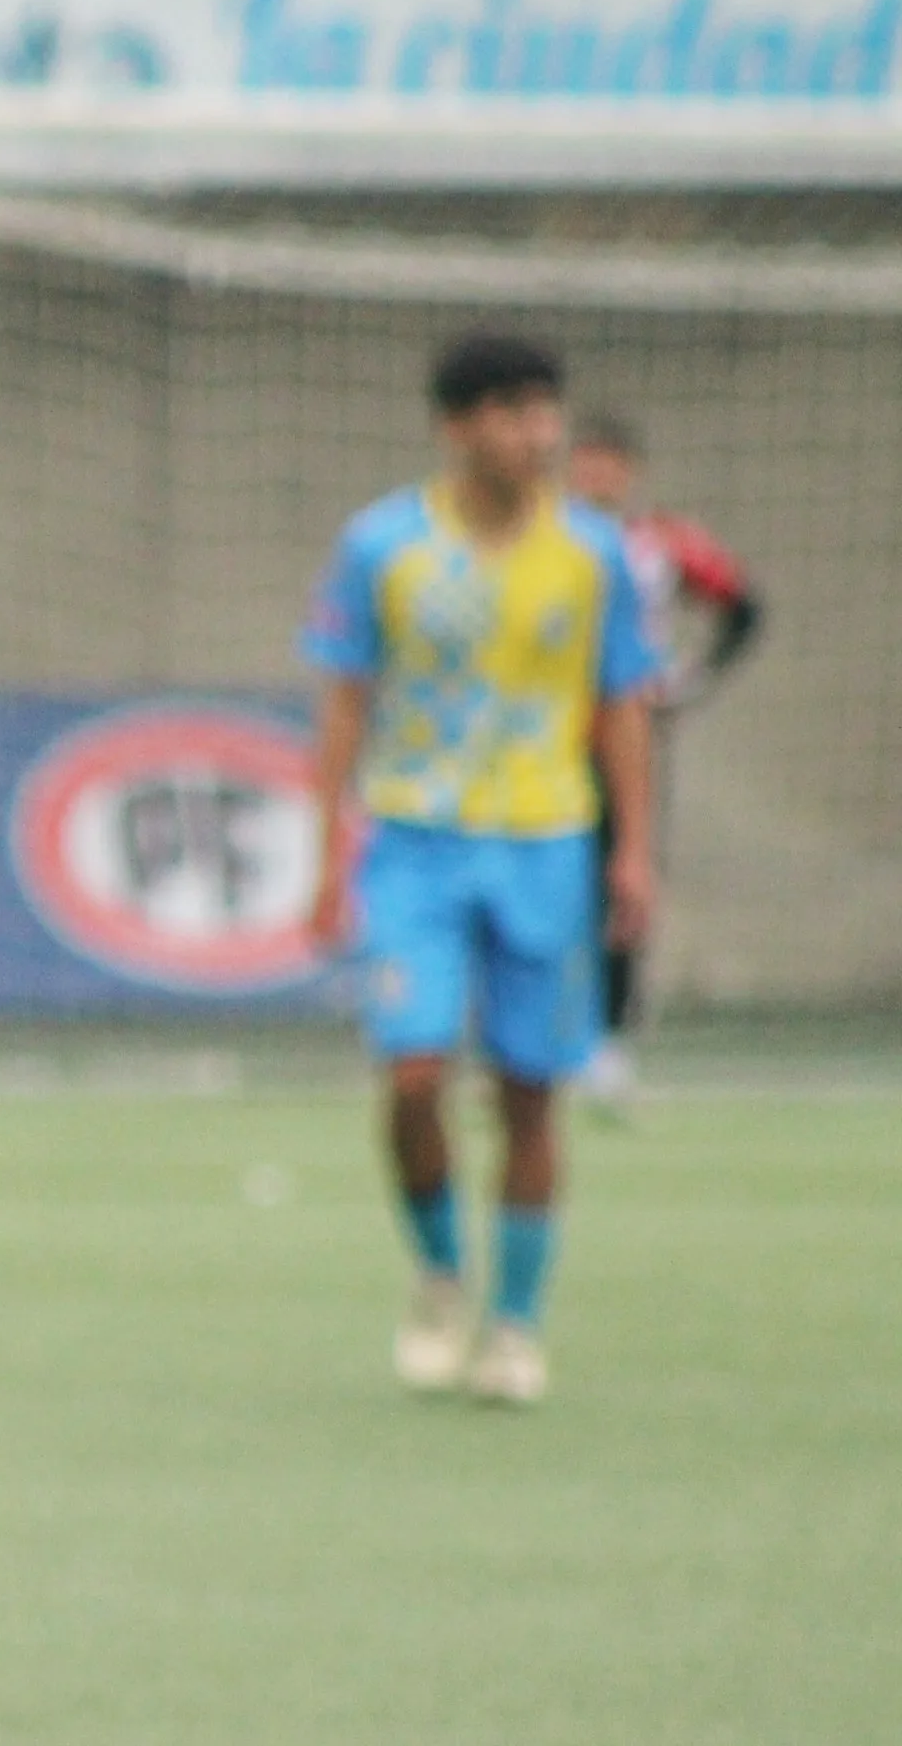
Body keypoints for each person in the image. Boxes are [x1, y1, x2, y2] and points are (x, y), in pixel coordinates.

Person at [302, 337, 657, 1409]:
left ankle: (515, 1325)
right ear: (456, 426)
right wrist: (329, 854)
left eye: (545, 409)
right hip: (413, 846)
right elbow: (344, 701)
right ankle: (439, 1276)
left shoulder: (595, 555)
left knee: (529, 1094)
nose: (536, 431)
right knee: (411, 1079)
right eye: (510, 410)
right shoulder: (382, 545)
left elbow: (622, 704)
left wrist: (632, 849)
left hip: (547, 844)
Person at [564, 410, 764, 1115]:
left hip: (631, 740)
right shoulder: (540, 535)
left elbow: (744, 608)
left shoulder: (662, 543)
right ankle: (540, 1042)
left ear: (631, 472)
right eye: (586, 461)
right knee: (550, 892)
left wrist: (687, 681)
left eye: (610, 462)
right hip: (540, 742)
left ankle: (610, 1051)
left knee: (627, 885)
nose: (597, 475)